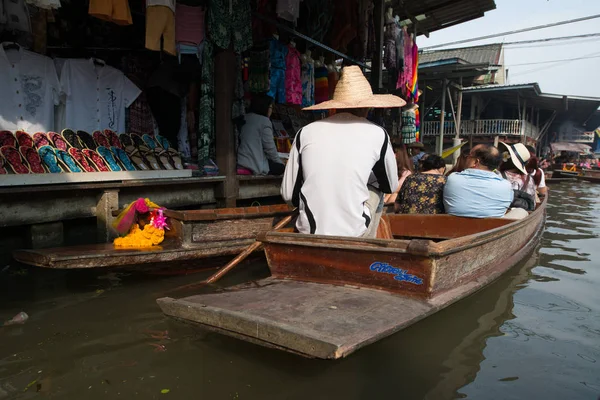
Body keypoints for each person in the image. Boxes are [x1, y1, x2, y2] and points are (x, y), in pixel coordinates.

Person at [281, 66, 403, 237]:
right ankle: (367, 246)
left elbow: (288, 195)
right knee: (378, 188)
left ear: (335, 107)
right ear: (367, 108)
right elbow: (390, 186)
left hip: (309, 231)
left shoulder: (305, 132)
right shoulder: (378, 133)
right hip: (353, 232)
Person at [443, 144, 515, 218]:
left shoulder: (453, 178)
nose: (467, 158)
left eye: (469, 156)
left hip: (456, 227)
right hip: (494, 227)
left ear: (475, 162)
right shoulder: (506, 186)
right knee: (520, 211)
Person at [237, 94, 285, 175]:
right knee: (280, 168)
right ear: (265, 107)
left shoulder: (245, 117)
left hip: (240, 160)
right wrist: (280, 162)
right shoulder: (264, 121)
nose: (271, 111)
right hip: (253, 164)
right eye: (270, 108)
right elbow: (269, 148)